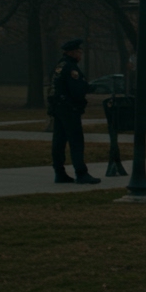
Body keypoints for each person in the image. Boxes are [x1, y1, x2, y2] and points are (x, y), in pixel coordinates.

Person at [49, 39, 100, 184]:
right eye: (79, 52)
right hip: (69, 109)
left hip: (58, 107)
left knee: (59, 141)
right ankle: (81, 173)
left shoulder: (59, 66)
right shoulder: (71, 68)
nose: (80, 55)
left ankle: (59, 172)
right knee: (76, 141)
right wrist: (88, 88)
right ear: (73, 53)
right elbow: (76, 90)